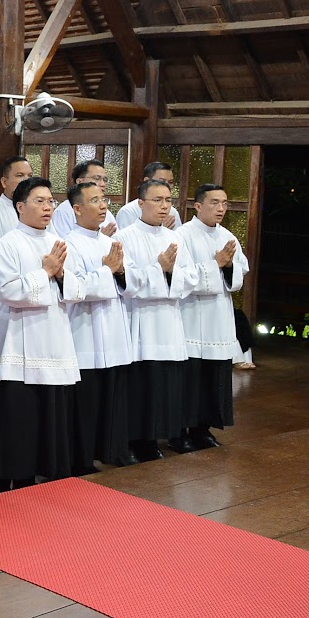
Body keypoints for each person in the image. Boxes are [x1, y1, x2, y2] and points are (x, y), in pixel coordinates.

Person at [0, 176, 82, 490]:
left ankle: (34, 477)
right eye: (39, 201)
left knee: (46, 414)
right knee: (16, 416)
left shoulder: (59, 242)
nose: (47, 207)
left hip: (53, 338)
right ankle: (4, 480)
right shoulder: (8, 243)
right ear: (20, 206)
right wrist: (46, 272)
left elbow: (77, 290)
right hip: (17, 339)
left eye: (50, 201)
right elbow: (8, 291)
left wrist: (61, 274)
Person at [116, 178, 200, 461]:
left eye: (168, 200)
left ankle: (156, 437)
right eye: (157, 200)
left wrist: (170, 273)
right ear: (141, 203)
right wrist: (159, 268)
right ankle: (135, 441)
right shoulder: (124, 237)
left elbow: (190, 278)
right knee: (141, 383)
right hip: (140, 319)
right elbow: (127, 281)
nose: (165, 206)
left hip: (168, 320)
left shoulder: (175, 238)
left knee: (165, 383)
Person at [61, 180, 136, 473]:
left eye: (104, 200)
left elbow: (131, 284)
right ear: (77, 209)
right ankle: (80, 458)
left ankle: (111, 450)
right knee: (86, 400)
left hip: (112, 329)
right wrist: (108, 271)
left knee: (111, 395)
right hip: (84, 330)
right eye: (94, 200)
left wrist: (120, 272)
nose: (103, 205)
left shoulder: (110, 243)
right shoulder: (68, 244)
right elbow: (75, 288)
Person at [177, 184, 249, 448]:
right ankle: (179, 432)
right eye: (214, 203)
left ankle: (202, 429)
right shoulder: (182, 235)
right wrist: (215, 264)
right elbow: (181, 276)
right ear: (198, 206)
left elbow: (241, 272)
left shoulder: (227, 236)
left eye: (225, 203)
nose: (221, 208)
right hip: (191, 315)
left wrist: (229, 266)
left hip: (218, 316)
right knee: (190, 378)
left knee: (213, 377)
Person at [0, 156, 33, 254]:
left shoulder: (38, 209)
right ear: (4, 182)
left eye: (30, 176)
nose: (26, 180)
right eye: (20, 175)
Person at [50, 159, 118, 238]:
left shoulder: (105, 211)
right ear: (79, 182)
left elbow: (118, 239)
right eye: (97, 178)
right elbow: (63, 242)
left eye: (105, 180)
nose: (102, 184)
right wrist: (100, 238)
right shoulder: (64, 211)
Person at [115, 162, 178, 231]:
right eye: (161, 181)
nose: (166, 185)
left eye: (170, 182)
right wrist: (162, 229)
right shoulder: (128, 211)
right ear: (147, 181)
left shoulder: (172, 212)